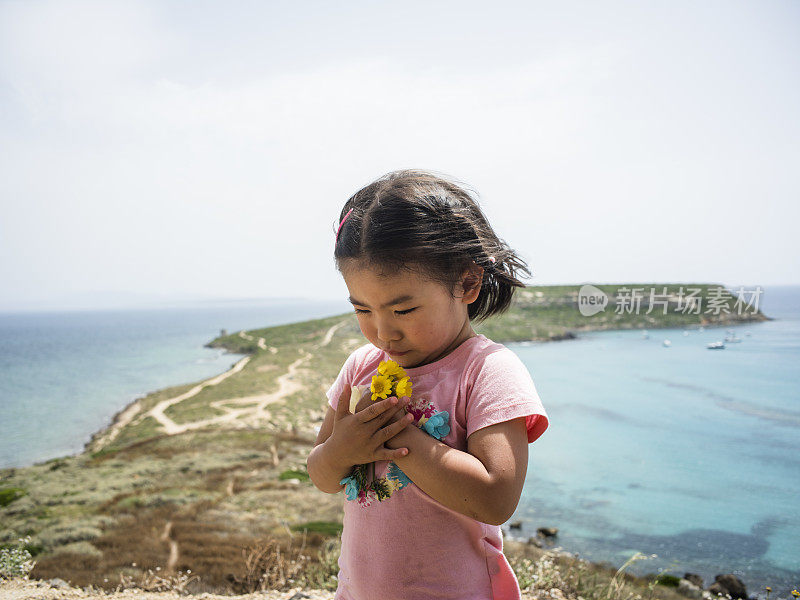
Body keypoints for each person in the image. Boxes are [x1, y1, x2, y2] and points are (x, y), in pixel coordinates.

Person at [306, 169, 550, 600]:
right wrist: (343, 449)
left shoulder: (488, 371)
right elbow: (323, 473)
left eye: (403, 311)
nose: (383, 334)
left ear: (467, 283)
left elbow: (496, 499)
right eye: (363, 310)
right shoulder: (361, 367)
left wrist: (397, 434)